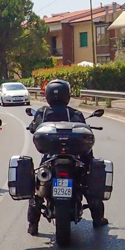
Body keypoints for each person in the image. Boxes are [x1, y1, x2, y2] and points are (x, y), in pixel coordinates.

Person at [26, 79, 107, 234]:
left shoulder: (42, 112)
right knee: (88, 179)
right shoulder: (74, 113)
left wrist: (32, 127)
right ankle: (97, 218)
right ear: (67, 95)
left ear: (48, 95)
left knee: (39, 186)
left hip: (51, 157)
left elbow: (33, 127)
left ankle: (33, 224)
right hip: (74, 156)